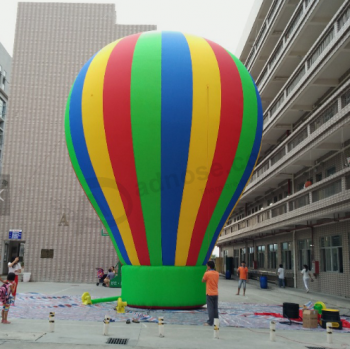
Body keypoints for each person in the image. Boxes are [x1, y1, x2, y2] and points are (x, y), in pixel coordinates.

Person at [202, 260, 219, 326]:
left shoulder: (207, 273)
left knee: (210, 308)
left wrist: (206, 272)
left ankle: (210, 322)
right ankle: (216, 321)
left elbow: (203, 280)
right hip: (216, 292)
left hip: (209, 293)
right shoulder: (217, 273)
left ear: (208, 266)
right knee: (215, 308)